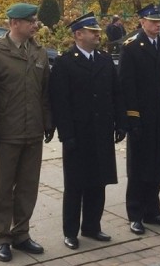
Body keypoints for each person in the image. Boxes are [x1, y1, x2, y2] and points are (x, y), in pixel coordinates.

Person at [0, 2, 53, 263]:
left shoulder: (39, 52)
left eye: (35, 20)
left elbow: (45, 93)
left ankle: (21, 233)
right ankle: (2, 237)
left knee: (27, 186)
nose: (36, 25)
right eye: (30, 21)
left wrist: (48, 123)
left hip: (33, 130)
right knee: (3, 187)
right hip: (7, 132)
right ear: (14, 23)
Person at [50, 13, 126, 250]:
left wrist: (120, 123)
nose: (97, 35)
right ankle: (70, 231)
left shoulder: (103, 60)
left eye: (97, 31)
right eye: (92, 31)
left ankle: (92, 226)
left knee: (98, 181)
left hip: (101, 130)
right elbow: (59, 103)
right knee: (75, 185)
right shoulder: (65, 63)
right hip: (78, 133)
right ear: (78, 35)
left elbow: (116, 93)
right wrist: (66, 134)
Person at [119, 4, 160, 236]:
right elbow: (126, 85)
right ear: (142, 22)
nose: (157, 25)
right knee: (139, 167)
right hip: (140, 115)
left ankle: (153, 210)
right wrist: (132, 118)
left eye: (159, 21)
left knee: (158, 164)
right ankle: (135, 214)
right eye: (153, 21)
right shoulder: (131, 48)